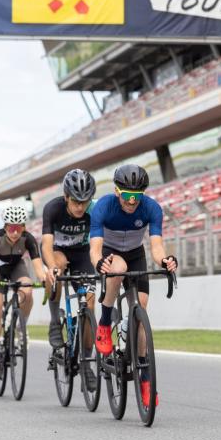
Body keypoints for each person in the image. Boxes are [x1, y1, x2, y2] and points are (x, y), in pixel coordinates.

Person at [89, 164, 178, 409]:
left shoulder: (151, 208)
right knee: (117, 269)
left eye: (137, 196)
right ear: (117, 192)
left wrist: (165, 260)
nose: (132, 201)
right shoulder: (103, 207)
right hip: (111, 252)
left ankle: (145, 378)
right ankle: (105, 322)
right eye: (127, 195)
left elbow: (157, 247)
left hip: (136, 253)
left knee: (141, 311)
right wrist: (99, 263)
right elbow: (95, 247)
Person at [39, 168, 98, 391]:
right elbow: (45, 244)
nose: (80, 207)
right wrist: (52, 267)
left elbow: (101, 240)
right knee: (58, 267)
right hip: (57, 251)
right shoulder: (52, 208)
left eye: (85, 201)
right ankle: (55, 321)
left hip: (82, 254)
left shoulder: (95, 210)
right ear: (66, 197)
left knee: (90, 304)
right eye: (75, 201)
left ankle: (86, 363)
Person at [0, 205, 48, 376]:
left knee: (28, 290)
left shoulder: (29, 239)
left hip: (17, 267)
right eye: (11, 228)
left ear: (24, 227)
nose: (15, 232)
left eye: (19, 228)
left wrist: (44, 278)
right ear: (5, 227)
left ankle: (20, 326)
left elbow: (38, 267)